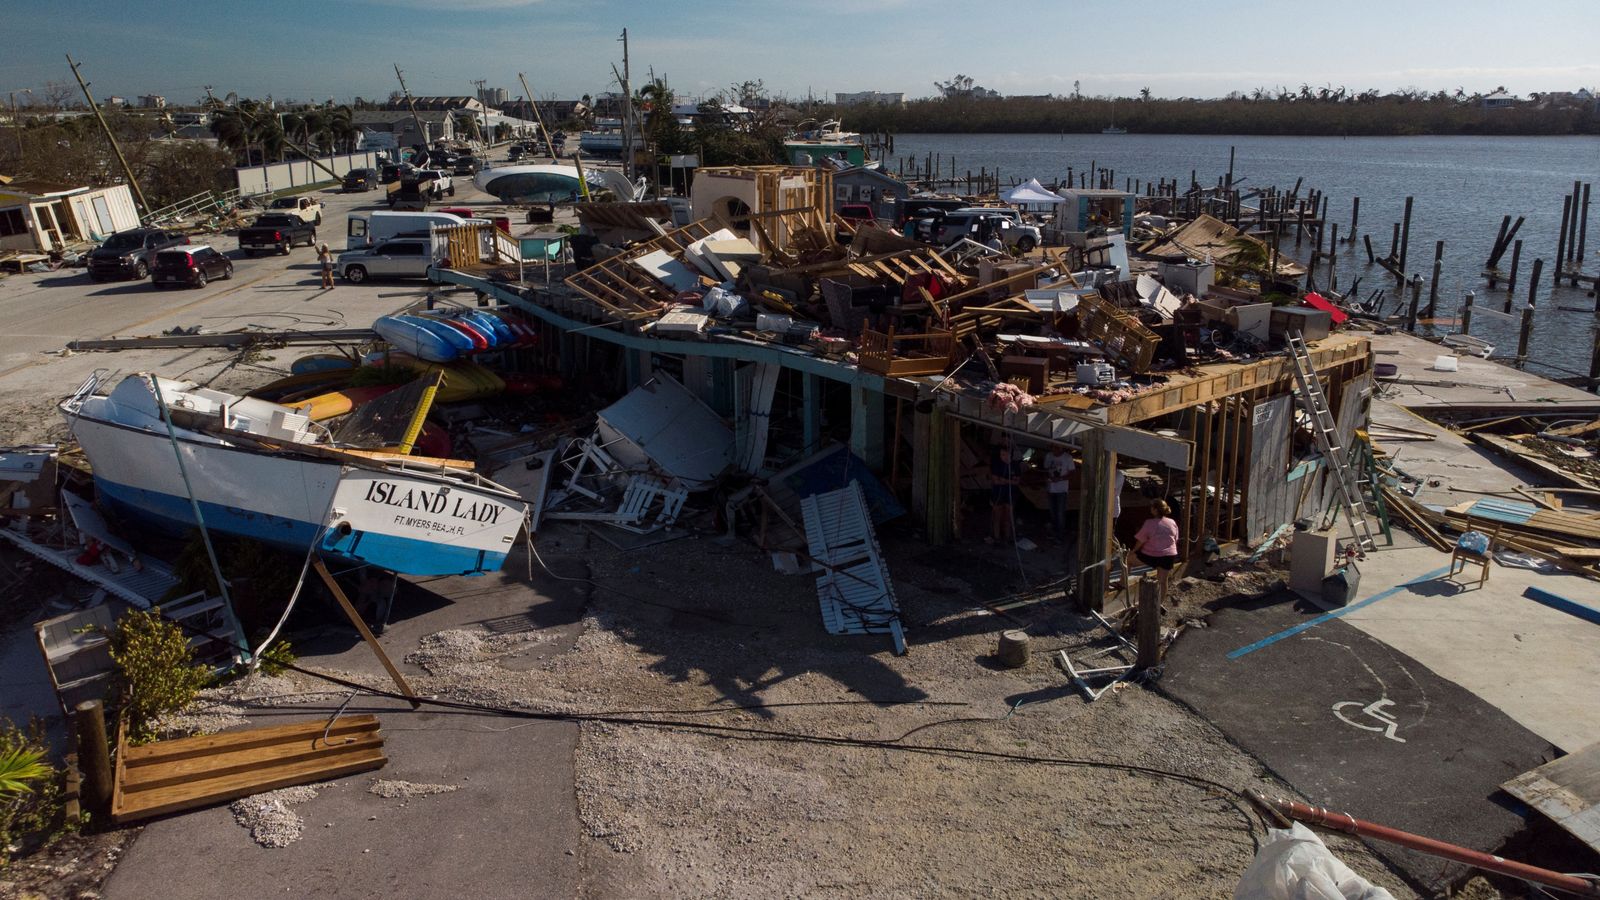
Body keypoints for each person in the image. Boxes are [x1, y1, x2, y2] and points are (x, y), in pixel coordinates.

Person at [1129, 499, 1181, 597]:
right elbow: (1175, 539)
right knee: (1162, 581)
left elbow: (1140, 540)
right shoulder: (1172, 522)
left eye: (1152, 507)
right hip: (1168, 556)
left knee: (1128, 560)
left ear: (1155, 510)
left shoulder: (1149, 523)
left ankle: (1122, 584)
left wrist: (1133, 551)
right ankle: (1159, 604)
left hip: (1151, 555)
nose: (1150, 509)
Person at [988, 437, 1020, 545]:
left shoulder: (1015, 465)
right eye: (1001, 454)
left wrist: (1004, 480)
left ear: (1010, 454)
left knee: (1008, 516)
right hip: (998, 493)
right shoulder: (996, 463)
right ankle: (996, 537)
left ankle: (1007, 537)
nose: (1003, 457)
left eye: (1005, 454)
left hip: (1010, 494)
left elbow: (1017, 481)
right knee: (997, 515)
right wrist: (1009, 480)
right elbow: (995, 481)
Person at [1043, 447, 1076, 541]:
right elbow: (1045, 470)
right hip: (1050, 488)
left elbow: (1072, 473)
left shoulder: (1067, 458)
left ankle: (1060, 535)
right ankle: (1054, 532)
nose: (1054, 449)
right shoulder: (1048, 456)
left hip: (1062, 490)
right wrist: (1048, 477)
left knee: (1060, 513)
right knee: (1052, 512)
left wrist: (1060, 479)